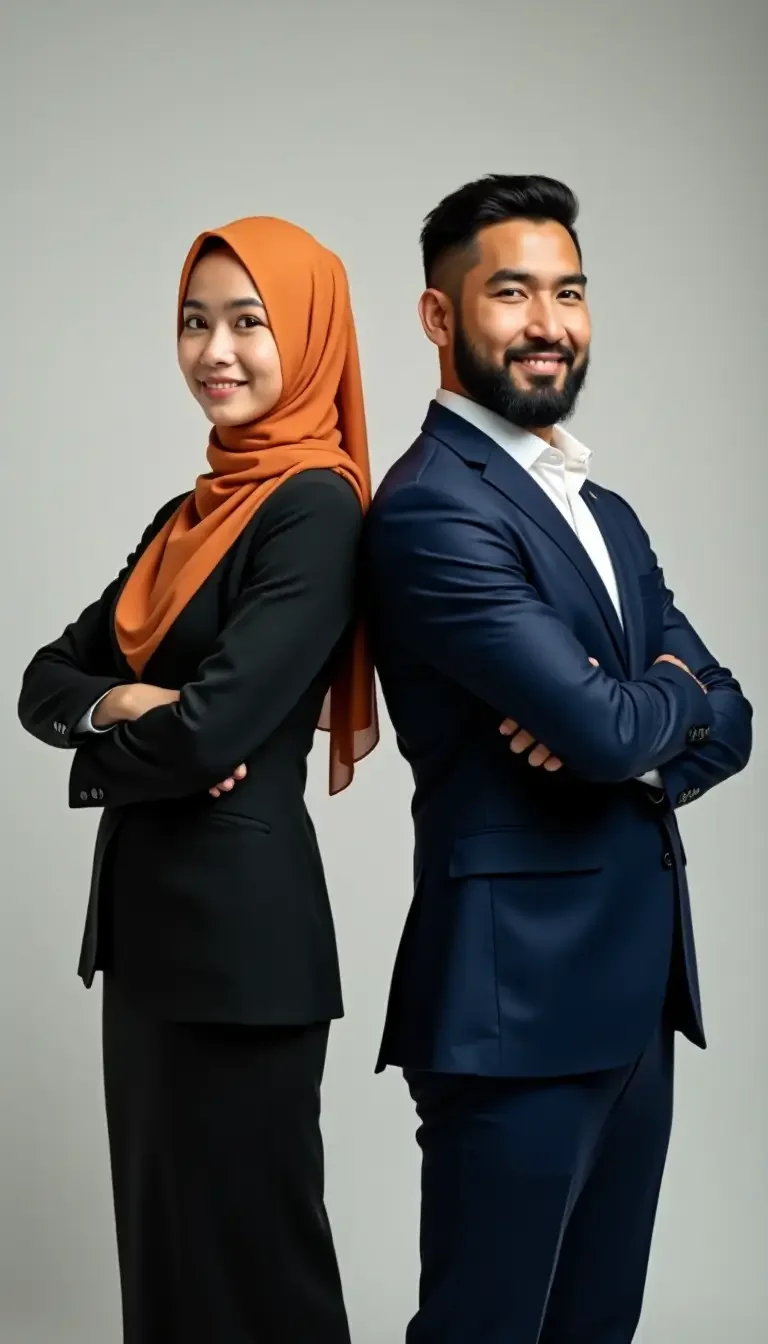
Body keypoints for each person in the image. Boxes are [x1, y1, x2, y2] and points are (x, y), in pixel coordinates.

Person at [365, 175, 752, 1344]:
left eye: (570, 291)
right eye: (513, 292)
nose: (550, 322)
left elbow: (730, 714)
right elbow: (609, 728)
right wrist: (642, 713)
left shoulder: (607, 511)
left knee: (596, 1328)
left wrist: (650, 712)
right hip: (515, 1000)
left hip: (633, 997)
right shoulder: (435, 508)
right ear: (439, 318)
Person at [18, 215, 378, 1344]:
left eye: (249, 322)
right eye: (194, 321)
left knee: (257, 1270)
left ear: (308, 335)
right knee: (169, 1268)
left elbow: (213, 730)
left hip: (242, 952)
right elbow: (42, 679)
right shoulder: (186, 517)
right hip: (150, 944)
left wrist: (161, 728)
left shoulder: (316, 507)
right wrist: (128, 704)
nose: (215, 350)